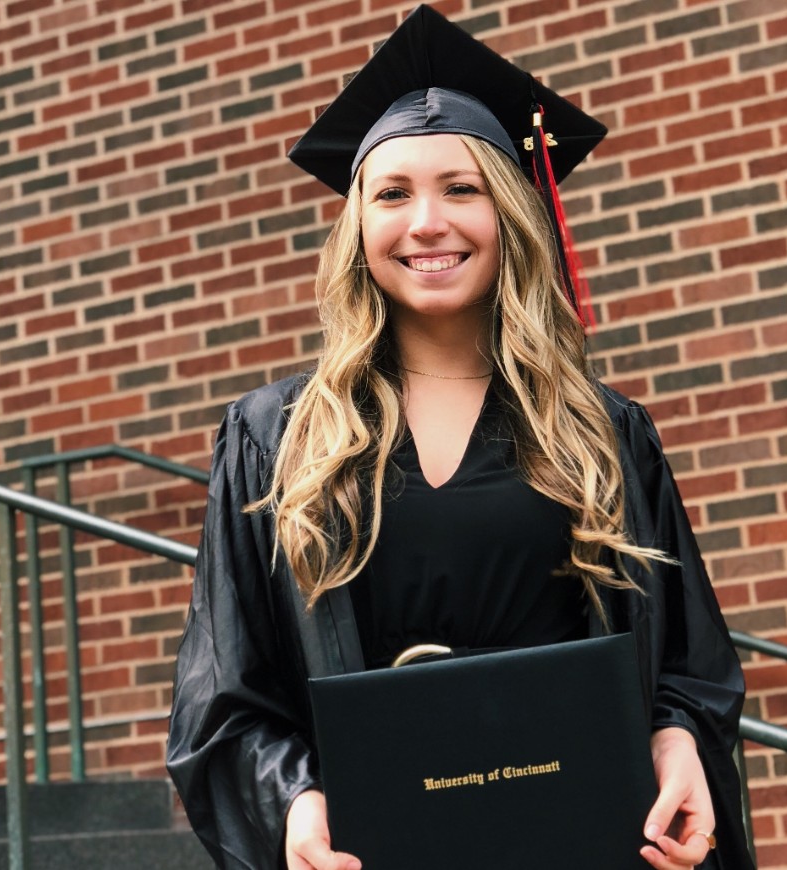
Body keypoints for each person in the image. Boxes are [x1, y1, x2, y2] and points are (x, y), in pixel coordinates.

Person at [166, 6, 753, 870]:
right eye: (393, 193)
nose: (427, 221)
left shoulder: (601, 431)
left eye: (462, 188)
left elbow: (688, 664)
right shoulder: (275, 439)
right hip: (373, 851)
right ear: (357, 227)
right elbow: (224, 696)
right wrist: (294, 804)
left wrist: (677, 740)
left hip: (581, 842)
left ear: (511, 212)